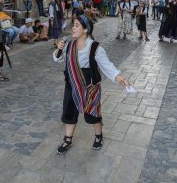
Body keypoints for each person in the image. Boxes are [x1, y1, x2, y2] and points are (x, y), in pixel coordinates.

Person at [53, 15, 130, 154]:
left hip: (89, 87)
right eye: (73, 25)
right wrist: (58, 49)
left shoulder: (94, 47)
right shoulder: (70, 44)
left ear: (85, 29)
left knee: (92, 114)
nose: (73, 28)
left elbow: (107, 66)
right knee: (69, 111)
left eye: (76, 25)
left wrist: (120, 78)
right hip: (71, 84)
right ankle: (67, 139)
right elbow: (58, 59)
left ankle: (99, 136)